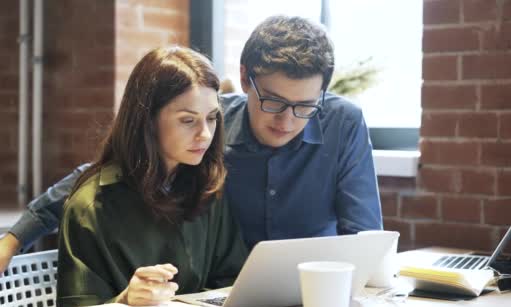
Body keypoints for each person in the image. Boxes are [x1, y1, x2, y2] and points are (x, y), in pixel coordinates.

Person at [0, 15, 382, 272]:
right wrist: (13, 239)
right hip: (224, 298)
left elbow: (364, 238)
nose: (286, 121)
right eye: (274, 103)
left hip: (316, 295)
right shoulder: (210, 129)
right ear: (245, 78)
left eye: (304, 107)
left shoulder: (343, 123)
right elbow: (107, 174)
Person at [55, 46, 248, 307]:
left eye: (212, 118)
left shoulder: (207, 187)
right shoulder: (91, 207)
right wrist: (124, 300)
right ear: (148, 121)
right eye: (188, 120)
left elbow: (232, 280)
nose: (205, 134)